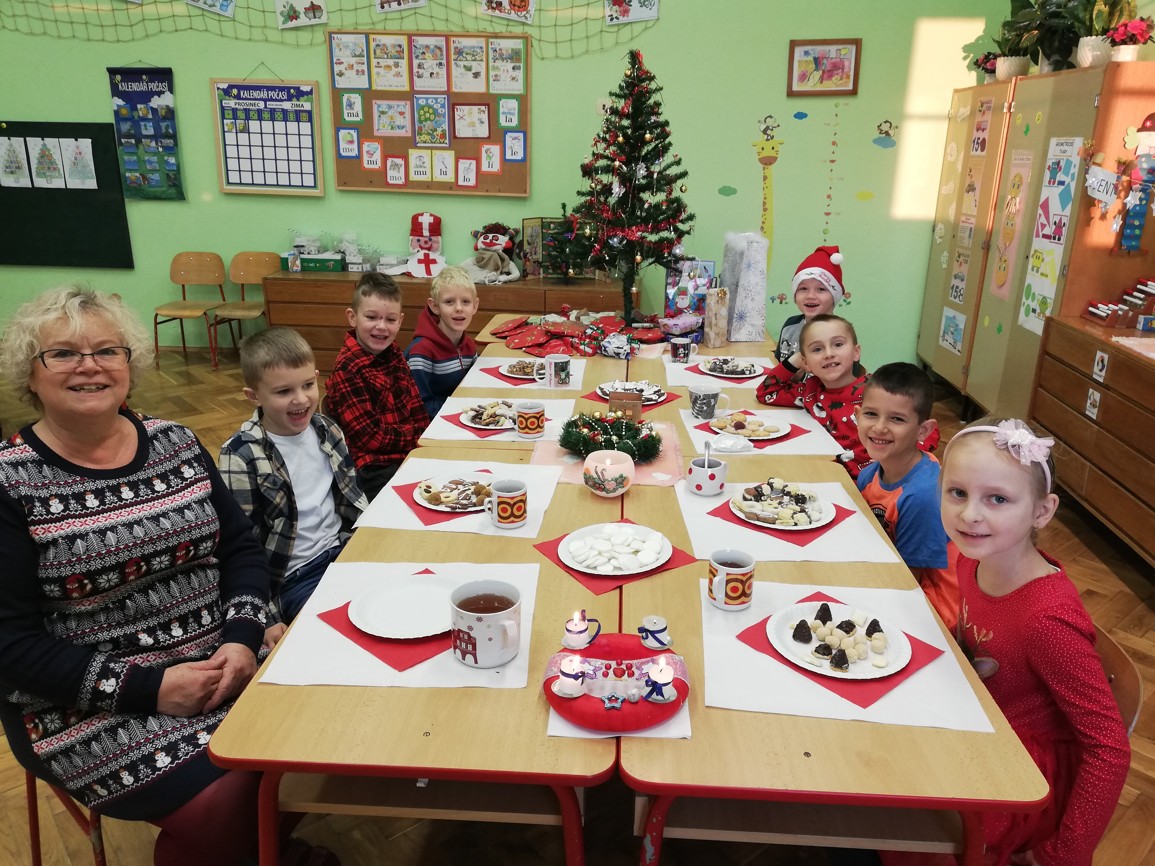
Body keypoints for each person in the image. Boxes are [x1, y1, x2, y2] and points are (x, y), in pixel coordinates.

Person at [0, 287, 277, 866]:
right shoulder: (10, 483)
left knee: (320, 738)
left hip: (221, 660)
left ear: (130, 364)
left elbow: (241, 550)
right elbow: (10, 645)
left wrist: (241, 638)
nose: (90, 366)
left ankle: (268, 849)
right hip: (89, 705)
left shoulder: (176, 442)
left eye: (108, 350)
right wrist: (151, 688)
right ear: (30, 374)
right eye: (63, 353)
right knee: (231, 800)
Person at [888, 418, 1129, 866]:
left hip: (1021, 776)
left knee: (901, 812)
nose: (969, 515)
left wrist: (1061, 855)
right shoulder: (971, 559)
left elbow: (1109, 749)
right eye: (957, 492)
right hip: (982, 722)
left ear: (1042, 511)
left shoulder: (1047, 621)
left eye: (997, 499)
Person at [219, 326, 367, 624]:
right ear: (254, 396)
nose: (301, 399)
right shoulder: (240, 456)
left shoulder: (327, 430)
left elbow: (352, 498)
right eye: (284, 391)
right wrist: (267, 616)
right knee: (342, 630)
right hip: (295, 577)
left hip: (344, 550)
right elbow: (241, 546)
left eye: (308, 385)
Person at [854, 363, 959, 631]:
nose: (879, 427)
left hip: (933, 613)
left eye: (897, 419)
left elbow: (907, 581)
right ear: (857, 416)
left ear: (923, 431)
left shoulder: (922, 495)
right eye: (871, 414)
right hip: (892, 576)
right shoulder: (870, 474)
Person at [325, 272, 430, 500]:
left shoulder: (394, 354)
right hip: (371, 469)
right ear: (353, 317)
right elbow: (370, 437)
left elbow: (417, 408)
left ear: (400, 321)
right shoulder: (348, 369)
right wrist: (417, 436)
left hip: (407, 454)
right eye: (372, 317)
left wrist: (424, 438)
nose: (381, 326)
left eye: (390, 320)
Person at [756, 313, 871, 479]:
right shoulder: (810, 391)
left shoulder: (876, 393)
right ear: (806, 363)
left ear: (856, 352)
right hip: (816, 471)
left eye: (838, 344)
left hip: (859, 482)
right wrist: (795, 361)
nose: (828, 354)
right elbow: (766, 393)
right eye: (817, 349)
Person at [404, 265, 479, 417]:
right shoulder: (421, 352)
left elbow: (475, 385)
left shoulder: (469, 346)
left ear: (475, 306)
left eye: (466, 302)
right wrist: (462, 410)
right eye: (449, 302)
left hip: (459, 414)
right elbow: (419, 407)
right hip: (433, 423)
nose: (459, 308)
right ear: (435, 306)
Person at [775, 245, 843, 363]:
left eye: (821, 289)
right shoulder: (790, 325)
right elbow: (777, 364)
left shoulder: (842, 333)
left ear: (834, 296)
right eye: (803, 289)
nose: (810, 296)